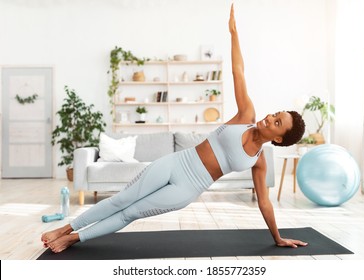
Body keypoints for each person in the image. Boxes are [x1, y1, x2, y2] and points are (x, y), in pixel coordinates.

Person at [41, 4, 307, 253]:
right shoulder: (245, 114)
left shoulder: (258, 162)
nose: (270, 118)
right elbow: (239, 71)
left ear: (280, 138)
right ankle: (65, 228)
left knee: (130, 213)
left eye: (277, 122)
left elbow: (264, 203)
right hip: (176, 163)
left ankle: (73, 239)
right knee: (121, 200)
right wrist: (234, 32)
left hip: (188, 189)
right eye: (275, 114)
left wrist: (278, 238)